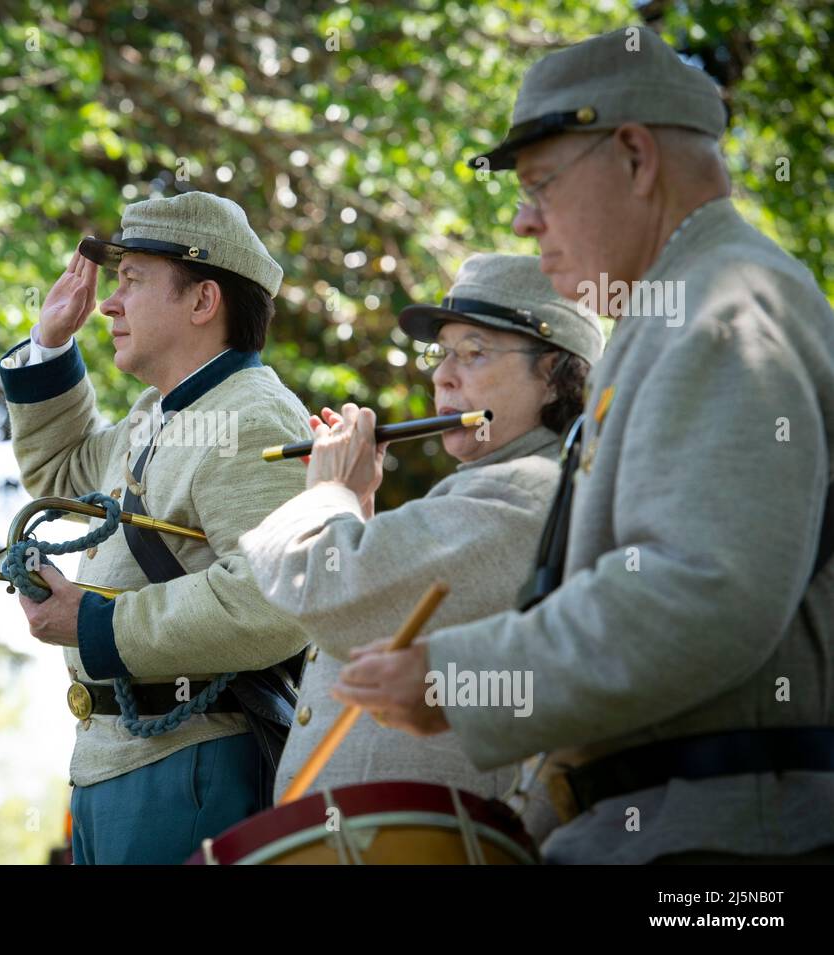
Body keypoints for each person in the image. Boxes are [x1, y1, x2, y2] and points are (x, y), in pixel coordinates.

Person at [334, 26, 834, 864]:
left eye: (540, 184)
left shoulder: (723, 307)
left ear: (635, 157)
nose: (526, 220)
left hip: (712, 853)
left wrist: (456, 677)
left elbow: (700, 592)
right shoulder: (686, 305)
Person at [239, 253, 602, 841]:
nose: (443, 377)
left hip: (428, 846)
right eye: (441, 354)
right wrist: (354, 504)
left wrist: (328, 488)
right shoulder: (497, 485)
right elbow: (374, 620)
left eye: (475, 352)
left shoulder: (530, 490)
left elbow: (325, 589)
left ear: (556, 372)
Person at [0, 190, 312, 864]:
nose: (109, 303)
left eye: (132, 280)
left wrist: (95, 624)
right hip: (119, 765)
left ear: (202, 302)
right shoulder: (158, 411)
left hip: (191, 768)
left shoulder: (252, 415)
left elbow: (274, 600)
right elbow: (62, 472)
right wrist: (50, 343)